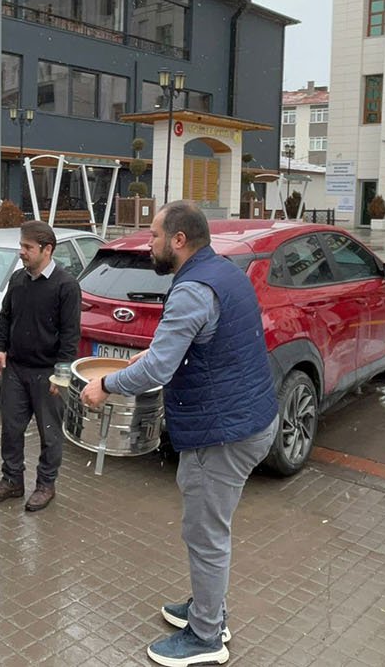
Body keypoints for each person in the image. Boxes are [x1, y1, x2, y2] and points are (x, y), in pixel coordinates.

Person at [80, 201, 276, 667]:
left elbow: (162, 366)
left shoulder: (192, 288)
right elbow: (189, 344)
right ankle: (207, 606)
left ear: (179, 240)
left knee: (206, 534)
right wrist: (143, 360)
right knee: (206, 530)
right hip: (245, 418)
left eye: (153, 237)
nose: (150, 245)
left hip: (223, 432)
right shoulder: (222, 271)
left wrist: (106, 384)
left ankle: (207, 636)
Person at [0, 220, 81, 512]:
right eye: (21, 246)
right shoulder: (18, 280)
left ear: (47, 250)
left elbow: (71, 335)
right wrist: (0, 349)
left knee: (50, 433)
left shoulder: (66, 286)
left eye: (27, 247)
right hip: (16, 370)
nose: (21, 252)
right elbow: (7, 317)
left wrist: (61, 374)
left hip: (47, 373)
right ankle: (12, 481)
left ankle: (46, 484)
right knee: (11, 429)